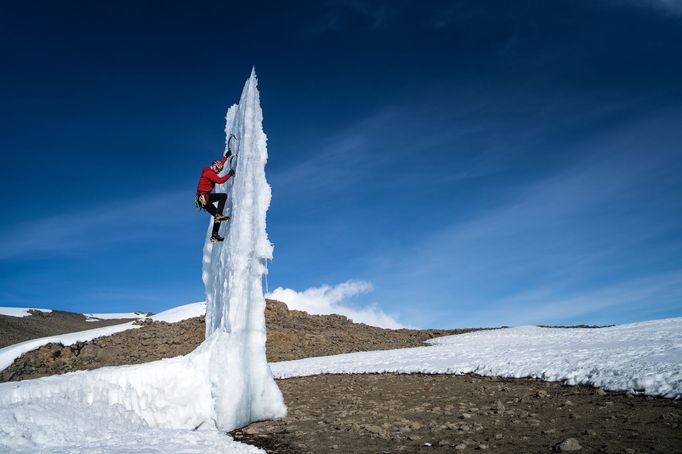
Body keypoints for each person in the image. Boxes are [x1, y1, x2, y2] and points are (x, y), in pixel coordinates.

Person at [196, 151, 235, 242]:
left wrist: (225, 157)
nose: (217, 170)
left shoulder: (211, 171)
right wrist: (229, 174)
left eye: (218, 170)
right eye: (216, 168)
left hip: (202, 200)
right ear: (213, 166)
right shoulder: (209, 172)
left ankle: (215, 235)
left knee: (218, 216)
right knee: (223, 197)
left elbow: (219, 164)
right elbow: (220, 180)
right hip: (204, 197)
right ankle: (218, 216)